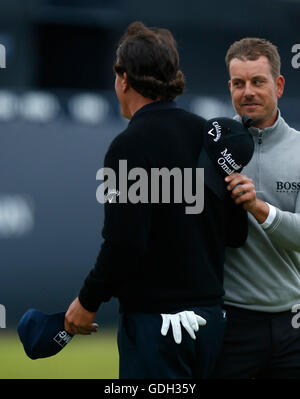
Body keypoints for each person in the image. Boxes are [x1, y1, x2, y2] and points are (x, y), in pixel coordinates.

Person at [64, 22, 249, 379]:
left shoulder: (128, 146)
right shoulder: (208, 136)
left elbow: (125, 242)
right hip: (211, 326)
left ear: (124, 79)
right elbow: (235, 235)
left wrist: (86, 303)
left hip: (156, 330)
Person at [165, 37, 300, 379]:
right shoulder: (210, 145)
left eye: (258, 81)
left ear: (279, 85)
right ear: (229, 87)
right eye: (239, 83)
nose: (248, 92)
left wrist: (257, 207)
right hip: (231, 323)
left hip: (293, 325)